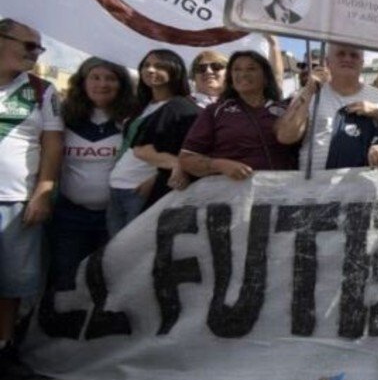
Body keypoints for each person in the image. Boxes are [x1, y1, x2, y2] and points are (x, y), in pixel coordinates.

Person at [0, 19, 62, 373]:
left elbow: (53, 145)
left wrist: (43, 192)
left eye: (38, 48)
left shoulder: (42, 90)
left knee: (11, 284)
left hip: (17, 200)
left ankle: (5, 348)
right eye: (28, 45)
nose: (34, 53)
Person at [48, 57, 136, 290]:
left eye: (110, 78)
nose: (102, 84)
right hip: (70, 217)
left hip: (116, 216)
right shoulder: (63, 117)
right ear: (83, 82)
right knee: (66, 280)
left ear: (122, 84)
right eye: (95, 77)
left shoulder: (132, 120)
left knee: (110, 282)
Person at [107, 49, 199, 235]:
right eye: (146, 65)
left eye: (159, 66)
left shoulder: (181, 108)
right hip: (117, 189)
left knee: (135, 254)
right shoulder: (142, 105)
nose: (150, 70)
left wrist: (163, 175)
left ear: (175, 70)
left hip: (140, 193)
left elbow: (146, 150)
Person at [179, 51, 298, 181]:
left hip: (281, 191)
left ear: (266, 77)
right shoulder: (215, 111)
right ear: (230, 78)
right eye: (236, 69)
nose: (243, 74)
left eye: (251, 68)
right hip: (231, 194)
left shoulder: (287, 109)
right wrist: (220, 165)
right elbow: (187, 158)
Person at [276, 43, 378, 171]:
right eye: (341, 53)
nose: (347, 59)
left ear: (362, 63)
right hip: (314, 186)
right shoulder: (308, 92)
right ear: (327, 62)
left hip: (363, 185)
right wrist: (308, 91)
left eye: (354, 55)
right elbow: (285, 136)